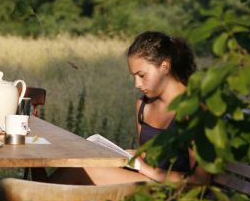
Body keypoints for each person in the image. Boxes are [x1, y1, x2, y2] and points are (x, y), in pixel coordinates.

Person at [35, 31, 210, 186]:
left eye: (141, 75)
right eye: (134, 76)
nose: (137, 84)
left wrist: (149, 171)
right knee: (79, 164)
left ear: (165, 66)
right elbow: (147, 155)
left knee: (83, 170)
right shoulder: (143, 106)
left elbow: (201, 180)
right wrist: (129, 155)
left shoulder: (194, 109)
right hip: (147, 180)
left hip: (174, 193)